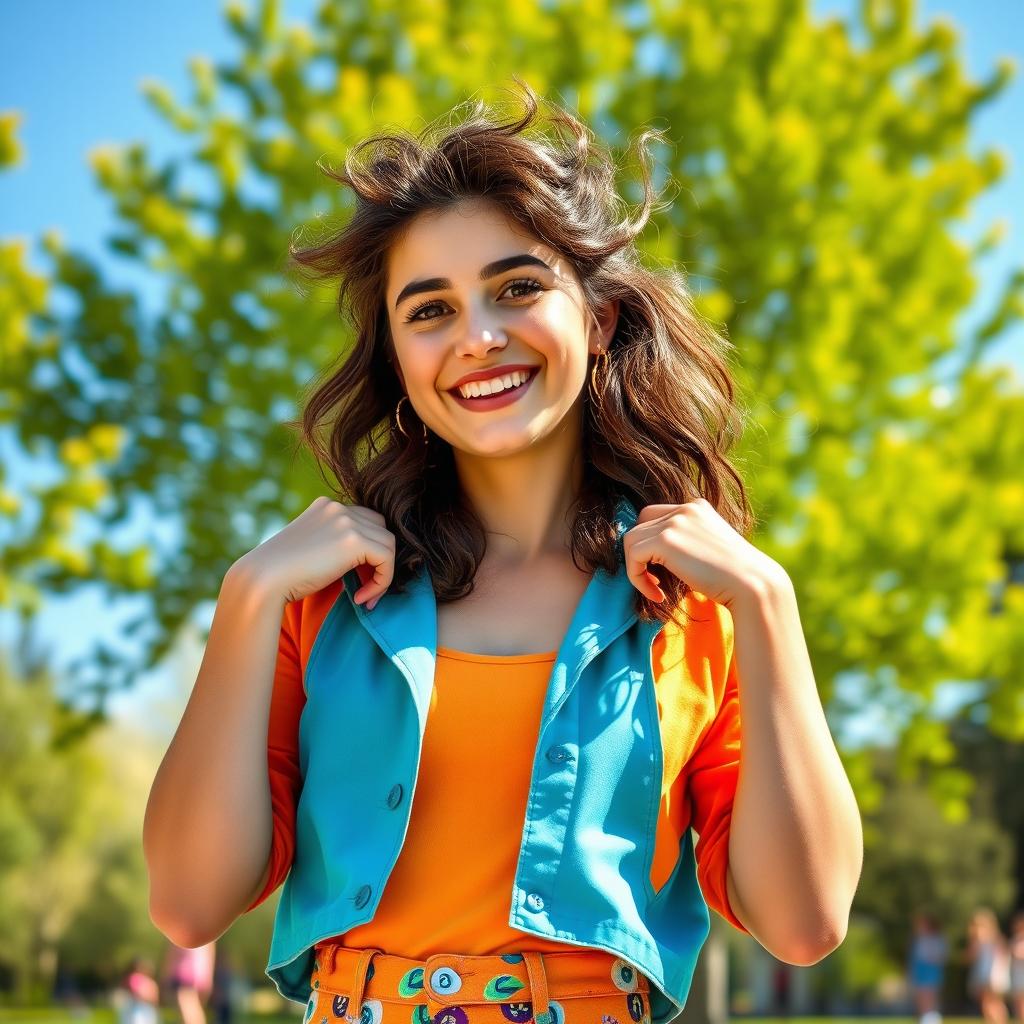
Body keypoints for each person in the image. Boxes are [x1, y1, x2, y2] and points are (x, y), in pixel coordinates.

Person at [144, 77, 863, 1024]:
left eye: (518, 288)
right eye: (429, 310)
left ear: (598, 322)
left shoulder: (700, 611)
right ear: (398, 355)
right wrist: (246, 598)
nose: (478, 339)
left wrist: (769, 607)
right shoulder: (317, 605)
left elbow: (805, 920)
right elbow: (189, 904)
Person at [967, 908, 1010, 1024]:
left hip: (993, 976)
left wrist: (997, 975)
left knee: (994, 1003)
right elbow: (971, 956)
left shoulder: (996, 939)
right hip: (982, 975)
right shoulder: (978, 941)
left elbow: (1003, 958)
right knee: (986, 1003)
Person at [908, 911, 948, 1024]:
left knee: (929, 1001)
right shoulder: (918, 939)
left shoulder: (937, 939)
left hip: (931, 973)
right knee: (921, 1001)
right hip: (920, 972)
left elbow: (940, 957)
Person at [163, 940, 216, 1024]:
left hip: (184, 973)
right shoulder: (208, 931)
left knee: (187, 1006)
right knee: (193, 1007)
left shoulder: (179, 930)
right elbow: (210, 956)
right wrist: (208, 977)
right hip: (200, 973)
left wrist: (166, 973)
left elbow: (172, 953)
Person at [1009, 909, 1024, 1023]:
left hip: (1021, 975)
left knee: (1021, 1002)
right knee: (1018, 1002)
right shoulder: (1016, 938)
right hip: (1016, 974)